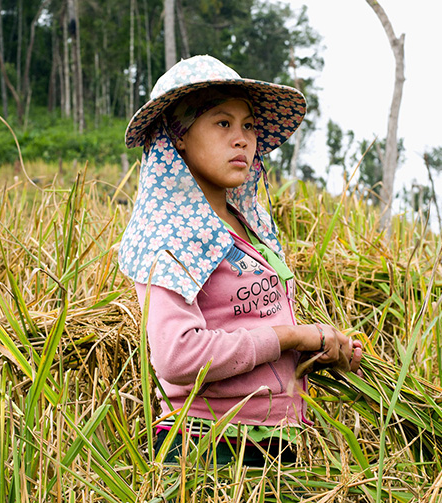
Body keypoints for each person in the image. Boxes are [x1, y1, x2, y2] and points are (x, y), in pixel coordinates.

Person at [118, 55, 363, 467]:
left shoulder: (249, 226)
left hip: (273, 442)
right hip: (208, 447)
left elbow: (252, 326)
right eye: (222, 123)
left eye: (248, 125)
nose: (242, 139)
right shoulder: (168, 233)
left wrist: (324, 348)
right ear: (178, 135)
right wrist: (292, 337)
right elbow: (177, 356)